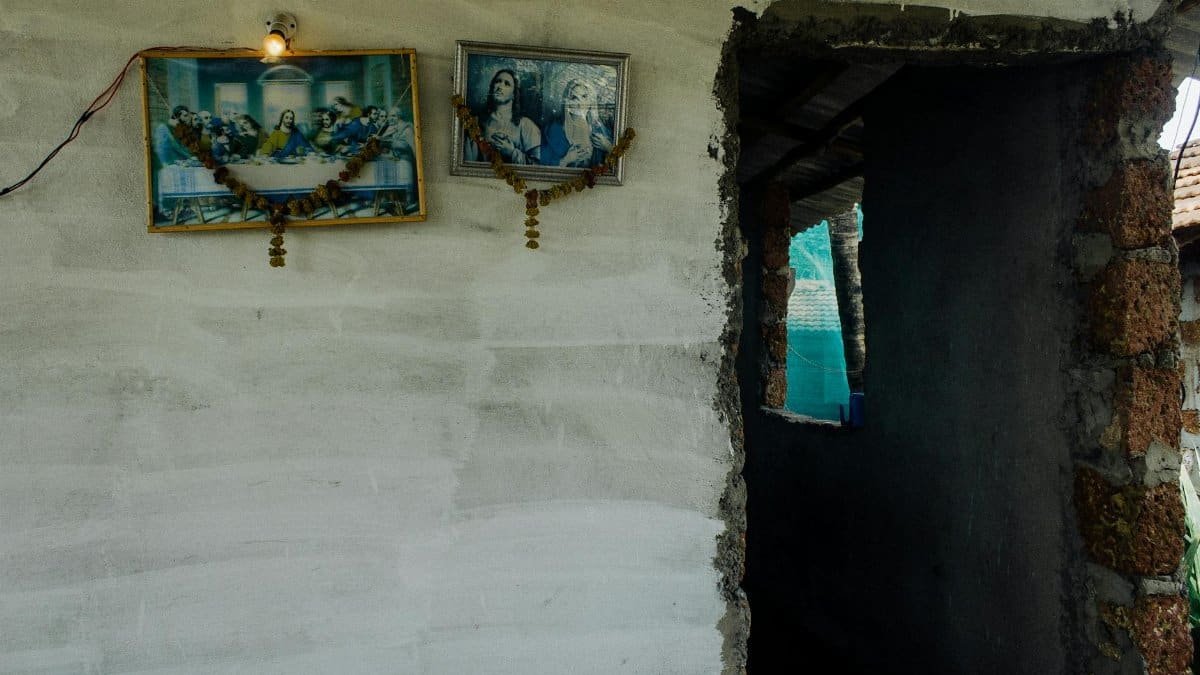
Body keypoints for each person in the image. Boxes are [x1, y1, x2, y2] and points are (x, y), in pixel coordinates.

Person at [464, 68, 541, 165]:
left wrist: (512, 152)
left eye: (507, 84)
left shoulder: (527, 126)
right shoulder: (476, 122)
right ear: (492, 87)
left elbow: (537, 166)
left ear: (514, 94)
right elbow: (469, 163)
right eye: (498, 81)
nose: (500, 86)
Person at [541, 78, 613, 168]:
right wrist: (566, 159)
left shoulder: (598, 129)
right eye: (574, 98)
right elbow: (544, 167)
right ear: (567, 102)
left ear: (591, 101)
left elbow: (616, 166)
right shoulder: (555, 129)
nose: (579, 103)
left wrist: (608, 147)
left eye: (584, 97)